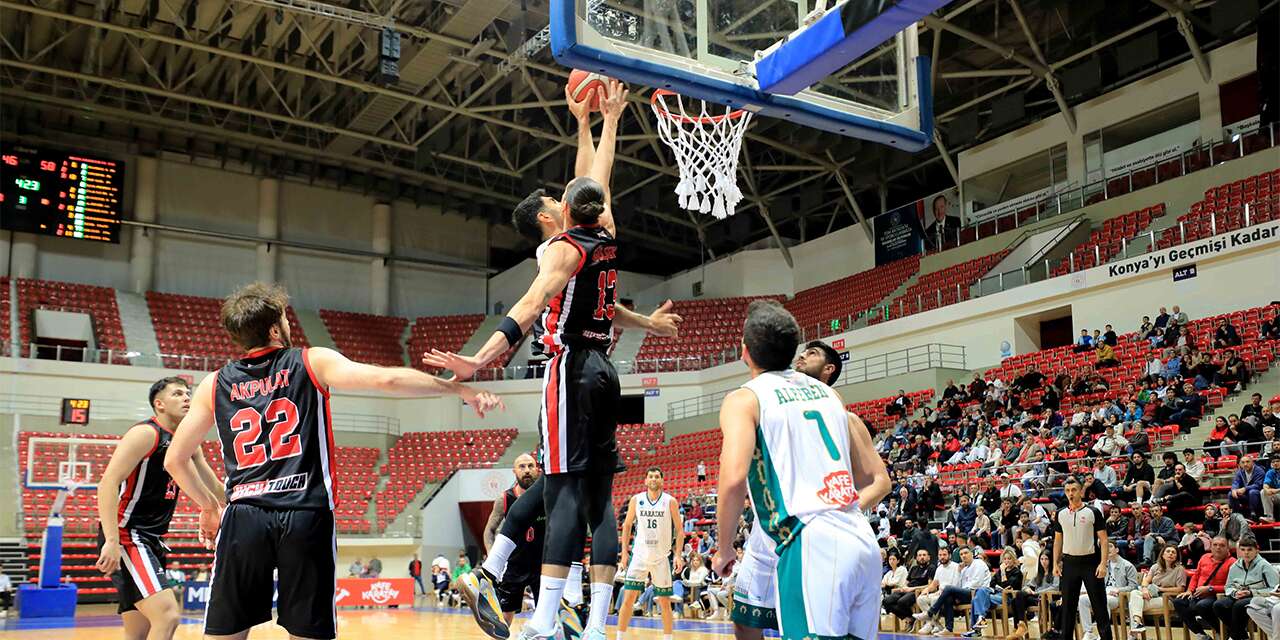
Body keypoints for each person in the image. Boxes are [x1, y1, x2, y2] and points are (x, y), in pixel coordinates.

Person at [428, 80, 687, 640]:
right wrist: (603, 122)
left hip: (569, 368)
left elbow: (530, 302)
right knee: (599, 500)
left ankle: (538, 611)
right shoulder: (603, 235)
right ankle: (590, 623)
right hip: (605, 370)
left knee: (563, 488)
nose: (559, 198)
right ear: (554, 216)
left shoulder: (562, 248)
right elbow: (595, 186)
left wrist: (481, 360)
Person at [163, 282, 504, 640]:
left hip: (244, 515)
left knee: (225, 634)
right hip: (304, 512)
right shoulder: (311, 361)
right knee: (309, 633)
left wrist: (208, 506)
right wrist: (457, 389)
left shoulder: (214, 384)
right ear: (276, 329)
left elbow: (175, 459)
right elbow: (385, 378)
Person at [711, 300, 890, 640]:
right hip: (860, 537)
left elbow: (734, 479)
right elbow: (872, 477)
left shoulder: (744, 399)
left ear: (745, 351)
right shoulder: (829, 396)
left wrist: (723, 549)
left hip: (809, 538)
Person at [95, 376, 224, 640]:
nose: (187, 397)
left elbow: (214, 486)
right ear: (159, 404)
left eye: (188, 393)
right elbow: (107, 483)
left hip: (152, 539)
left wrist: (249, 497)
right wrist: (111, 540)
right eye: (177, 394)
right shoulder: (146, 433)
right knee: (167, 616)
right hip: (127, 535)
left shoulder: (188, 442)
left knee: (138, 632)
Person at [482, 453, 583, 625]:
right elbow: (489, 531)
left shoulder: (549, 495)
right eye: (522, 466)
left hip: (543, 566)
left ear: (538, 469)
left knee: (548, 617)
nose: (527, 470)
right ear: (514, 471)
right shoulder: (505, 499)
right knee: (504, 618)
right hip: (514, 565)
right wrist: (494, 557)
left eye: (530, 466)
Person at [616, 467, 684, 640]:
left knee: (665, 601)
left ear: (662, 481)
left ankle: (668, 638)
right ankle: (619, 637)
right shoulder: (636, 500)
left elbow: (680, 530)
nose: (653, 479)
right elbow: (627, 526)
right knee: (628, 598)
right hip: (639, 556)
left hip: (661, 557)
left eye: (657, 476)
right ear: (645, 481)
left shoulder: (670, 501)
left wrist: (677, 555)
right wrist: (624, 553)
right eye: (650, 476)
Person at [1051, 477, 1111, 640]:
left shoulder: (1093, 512)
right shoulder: (1061, 514)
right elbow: (1057, 540)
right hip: (1069, 564)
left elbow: (1104, 540)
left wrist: (1103, 564)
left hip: (1091, 563)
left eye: (1074, 490)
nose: (1071, 494)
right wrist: (1055, 563)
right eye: (1068, 491)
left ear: (1080, 491)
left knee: (1099, 607)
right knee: (1067, 608)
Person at [915, 546, 990, 635]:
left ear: (972, 554)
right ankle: (948, 628)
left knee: (948, 589)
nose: (963, 556)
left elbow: (977, 583)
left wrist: (958, 591)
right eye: (961, 554)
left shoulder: (978, 563)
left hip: (977, 593)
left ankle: (930, 613)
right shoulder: (964, 569)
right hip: (966, 593)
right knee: (948, 597)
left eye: (966, 553)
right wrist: (957, 594)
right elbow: (961, 584)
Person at [1173, 536, 1237, 640]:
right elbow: (1196, 576)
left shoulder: (1232, 562)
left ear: (1227, 548)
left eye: (1222, 545)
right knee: (1178, 602)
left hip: (1216, 596)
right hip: (1198, 594)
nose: (1218, 548)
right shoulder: (1204, 557)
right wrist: (1189, 590)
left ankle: (1221, 631)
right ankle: (1201, 634)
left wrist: (1211, 588)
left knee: (1202, 605)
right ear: (1211, 547)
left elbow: (1232, 586)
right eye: (1215, 545)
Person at [1217, 536, 1278, 640]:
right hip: (1238, 595)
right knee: (1218, 605)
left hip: (1258, 597)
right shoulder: (1235, 566)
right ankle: (1241, 635)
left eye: (1250, 550)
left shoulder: (1265, 566)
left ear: (1257, 551)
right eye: (1243, 550)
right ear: (1239, 551)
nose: (1246, 553)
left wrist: (1251, 593)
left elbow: (1275, 589)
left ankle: (1235, 636)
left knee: (1238, 605)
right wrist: (1234, 593)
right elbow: (1228, 586)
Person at [1076, 542, 1138, 640]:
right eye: (1105, 547)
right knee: (1082, 599)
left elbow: (1134, 586)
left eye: (1110, 546)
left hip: (1118, 597)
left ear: (1117, 550)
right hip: (1104, 593)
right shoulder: (1103, 565)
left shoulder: (1127, 565)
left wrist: (1119, 590)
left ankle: (1103, 634)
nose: (1107, 549)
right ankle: (1088, 632)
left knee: (1103, 601)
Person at [1128, 544, 1187, 637]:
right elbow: (1146, 580)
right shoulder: (1155, 566)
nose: (1170, 554)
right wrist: (1144, 589)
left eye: (1173, 552)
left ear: (1176, 556)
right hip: (1152, 596)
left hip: (1168, 599)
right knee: (1134, 593)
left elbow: (1180, 589)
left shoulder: (1180, 569)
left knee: (1132, 604)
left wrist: (1160, 589)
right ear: (1162, 554)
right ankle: (1136, 624)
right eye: (1168, 551)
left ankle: (1133, 634)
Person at [966, 546, 1022, 635]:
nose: (1007, 561)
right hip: (995, 596)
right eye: (1005, 559)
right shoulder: (999, 571)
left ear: (1014, 560)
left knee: (976, 599)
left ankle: (976, 629)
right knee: (979, 594)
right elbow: (992, 583)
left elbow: (1008, 586)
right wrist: (1001, 585)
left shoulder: (1017, 572)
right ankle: (980, 619)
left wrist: (1003, 573)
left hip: (1007, 598)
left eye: (1009, 559)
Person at [883, 548, 935, 624]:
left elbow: (930, 586)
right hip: (907, 590)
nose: (922, 557)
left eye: (924, 555)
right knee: (886, 601)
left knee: (902, 602)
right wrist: (903, 588)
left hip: (918, 592)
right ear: (917, 558)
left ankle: (912, 618)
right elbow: (906, 583)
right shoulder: (914, 568)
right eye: (919, 555)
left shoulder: (931, 568)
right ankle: (910, 617)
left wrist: (911, 589)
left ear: (929, 557)